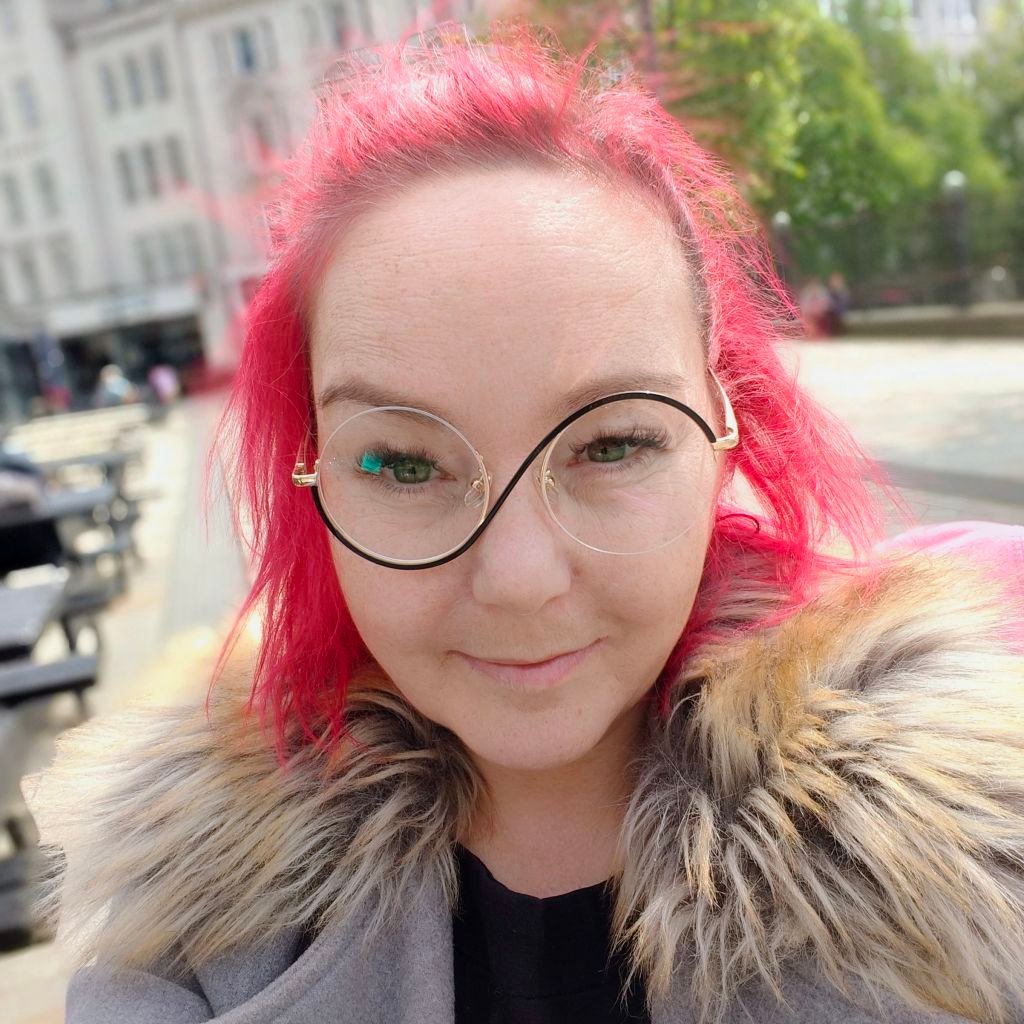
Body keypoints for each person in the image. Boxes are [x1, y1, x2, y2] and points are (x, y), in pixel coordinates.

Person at [35, 24, 1023, 1024]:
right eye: (403, 463)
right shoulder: (195, 915)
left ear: (725, 429)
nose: (519, 578)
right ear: (312, 482)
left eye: (610, 446)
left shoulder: (972, 853)